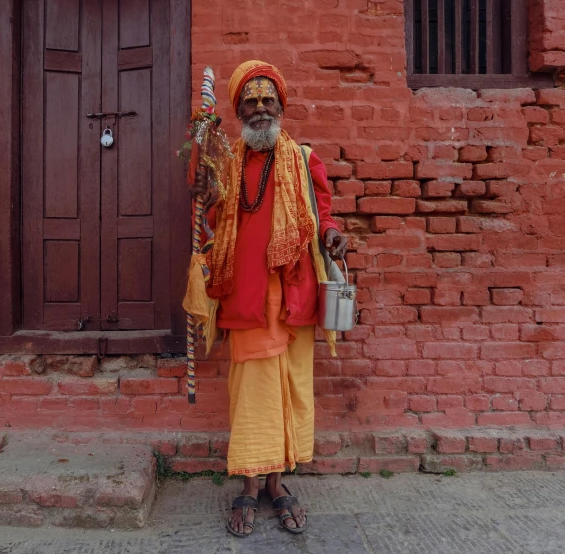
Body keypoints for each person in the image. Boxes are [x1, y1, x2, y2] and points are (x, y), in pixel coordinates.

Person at [191, 60, 347, 538]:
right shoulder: (226, 161)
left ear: (282, 106)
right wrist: (204, 192)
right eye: (251, 102)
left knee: (288, 390)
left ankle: (276, 484)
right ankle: (246, 482)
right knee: (252, 393)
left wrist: (334, 233)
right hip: (247, 297)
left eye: (268, 100)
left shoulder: (303, 159)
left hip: (294, 296)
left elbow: (323, 213)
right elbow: (209, 226)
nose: (260, 109)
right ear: (237, 110)